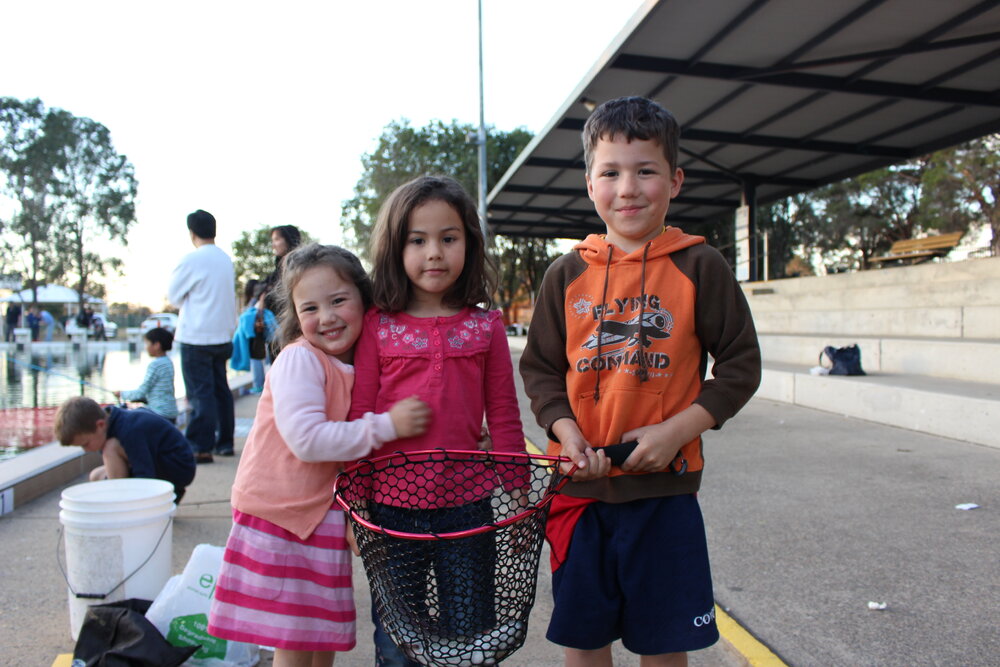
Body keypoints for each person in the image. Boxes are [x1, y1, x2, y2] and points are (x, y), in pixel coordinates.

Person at [519, 96, 762, 667]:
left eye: (645, 170)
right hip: (578, 489)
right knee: (582, 639)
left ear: (674, 181)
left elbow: (740, 366)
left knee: (663, 641)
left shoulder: (701, 266)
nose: (627, 188)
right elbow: (540, 371)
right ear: (589, 183)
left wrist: (679, 430)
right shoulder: (565, 274)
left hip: (664, 494)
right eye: (611, 172)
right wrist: (566, 432)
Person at [207, 243, 430, 667]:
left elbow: (352, 453)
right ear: (293, 315)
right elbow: (308, 440)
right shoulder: (299, 360)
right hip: (278, 515)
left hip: (318, 514)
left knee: (319, 634)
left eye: (338, 300)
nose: (325, 317)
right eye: (309, 308)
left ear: (364, 301)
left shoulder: (358, 366)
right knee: (292, 640)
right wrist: (388, 425)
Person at [348, 175, 526, 667]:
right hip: (389, 510)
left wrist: (516, 496)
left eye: (449, 238)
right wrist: (355, 505)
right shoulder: (376, 325)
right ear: (395, 248)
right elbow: (361, 414)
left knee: (471, 637)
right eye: (418, 240)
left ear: (468, 242)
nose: (434, 253)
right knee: (397, 643)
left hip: (468, 507)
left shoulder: (485, 326)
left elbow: (506, 417)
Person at [168, 209, 238, 463]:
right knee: (221, 391)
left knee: (201, 394)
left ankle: (199, 446)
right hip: (222, 335)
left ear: (192, 232)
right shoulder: (225, 259)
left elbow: (174, 296)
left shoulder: (191, 260)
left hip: (196, 336)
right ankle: (225, 442)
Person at [54, 396, 196, 503]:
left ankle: (122, 505)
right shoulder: (113, 422)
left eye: (85, 443)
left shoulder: (130, 430)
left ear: (100, 425)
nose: (85, 450)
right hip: (158, 463)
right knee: (96, 476)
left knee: (110, 448)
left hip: (177, 469)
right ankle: (118, 498)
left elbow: (145, 476)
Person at [118, 327, 179, 423]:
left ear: (157, 345)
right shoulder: (167, 362)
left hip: (159, 414)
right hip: (171, 412)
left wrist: (121, 394)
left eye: (147, 344)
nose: (145, 347)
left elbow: (141, 392)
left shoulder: (155, 364)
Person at [230, 279, 275, 393]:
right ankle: (261, 385)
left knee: (256, 357)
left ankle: (258, 385)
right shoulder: (260, 297)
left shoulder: (254, 301)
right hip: (262, 332)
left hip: (256, 333)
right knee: (262, 357)